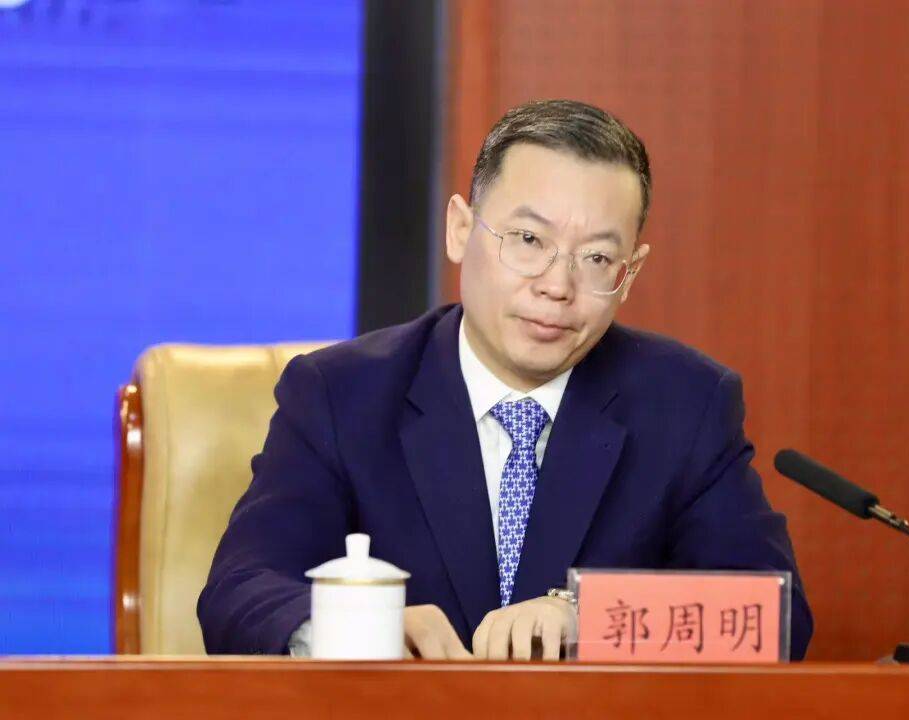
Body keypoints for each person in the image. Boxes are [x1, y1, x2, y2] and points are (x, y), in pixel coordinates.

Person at [198, 99, 813, 661]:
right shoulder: (341, 394)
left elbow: (773, 614)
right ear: (460, 230)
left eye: (597, 258)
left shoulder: (686, 405)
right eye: (528, 240)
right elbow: (239, 590)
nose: (557, 285)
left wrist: (591, 617)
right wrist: (360, 628)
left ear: (630, 273)